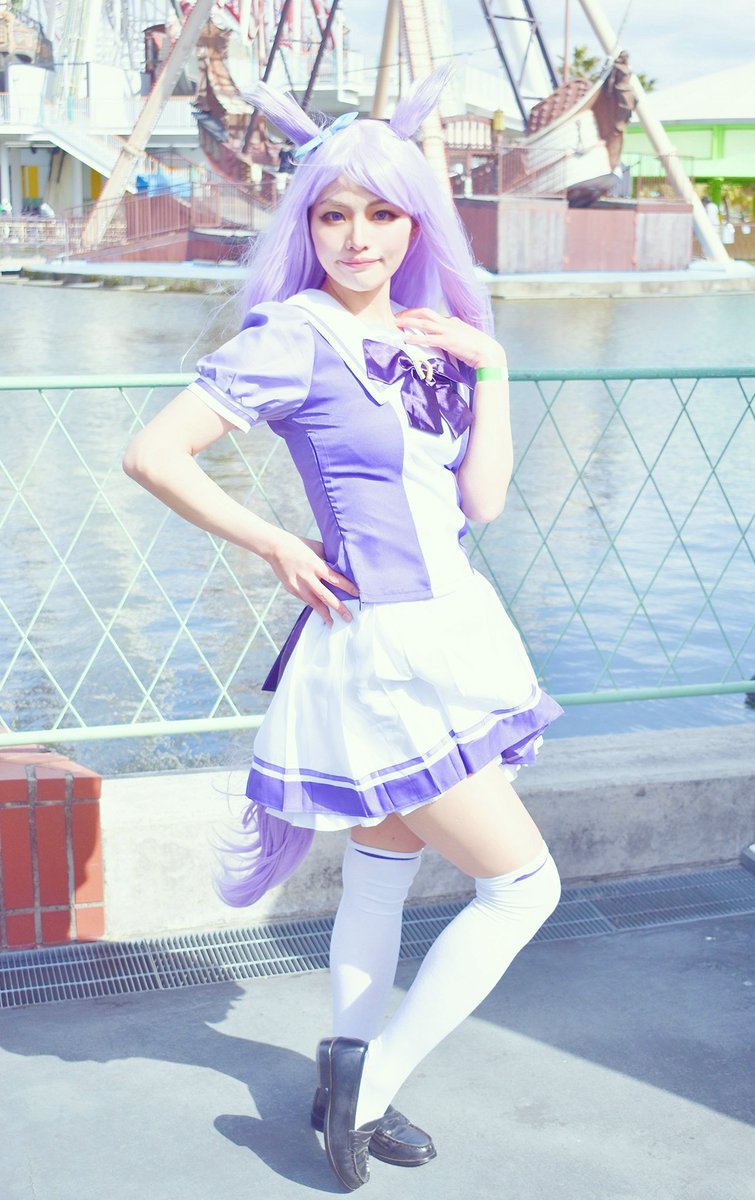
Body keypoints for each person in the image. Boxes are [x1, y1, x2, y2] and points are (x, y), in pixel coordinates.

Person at [123, 68, 563, 1192]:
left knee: (380, 875)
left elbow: (480, 503)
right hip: (384, 651)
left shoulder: (429, 336)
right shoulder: (293, 337)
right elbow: (153, 453)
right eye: (333, 214)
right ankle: (368, 1084)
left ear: (416, 224)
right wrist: (273, 542)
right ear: (306, 225)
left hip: (450, 626)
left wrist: (491, 365)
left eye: (380, 212)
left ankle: (351, 1087)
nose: (357, 236)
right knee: (524, 887)